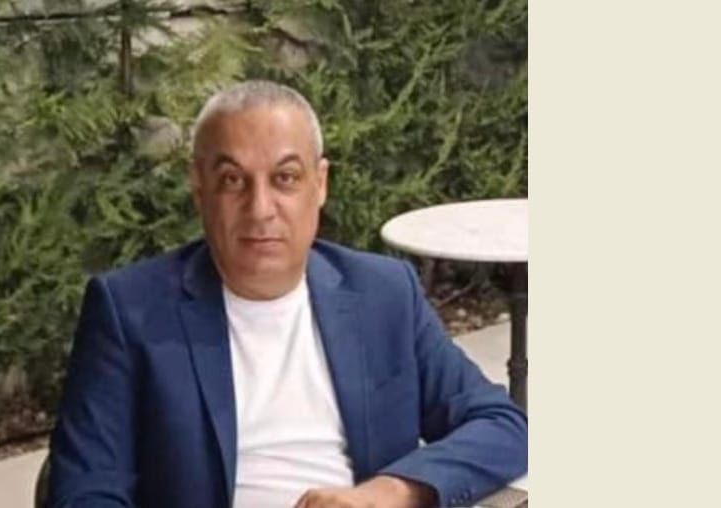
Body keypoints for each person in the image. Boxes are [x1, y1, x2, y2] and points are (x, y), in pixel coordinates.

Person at [46, 80, 527, 508]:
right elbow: (84, 490)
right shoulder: (128, 310)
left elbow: (503, 425)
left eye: (285, 178)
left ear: (320, 184)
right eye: (232, 180)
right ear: (198, 188)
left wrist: (389, 493)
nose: (260, 209)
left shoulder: (383, 293)